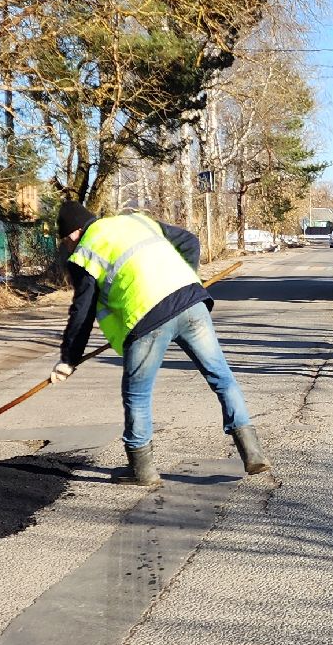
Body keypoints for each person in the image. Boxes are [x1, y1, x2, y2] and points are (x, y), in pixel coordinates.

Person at [51, 201, 269, 486]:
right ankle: (252, 453)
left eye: (66, 239)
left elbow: (83, 310)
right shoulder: (136, 222)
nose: (67, 244)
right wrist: (187, 278)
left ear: (74, 232)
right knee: (222, 378)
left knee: (137, 394)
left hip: (147, 319)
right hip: (191, 302)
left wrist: (69, 358)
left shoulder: (86, 251)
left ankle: (143, 471)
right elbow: (189, 241)